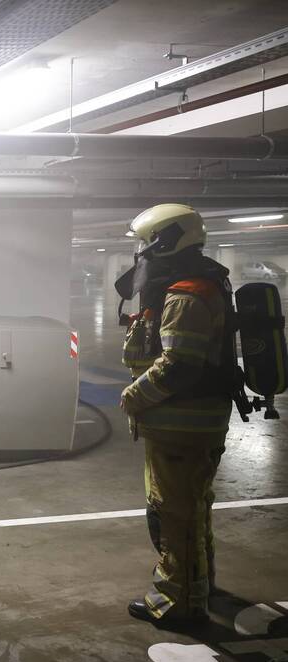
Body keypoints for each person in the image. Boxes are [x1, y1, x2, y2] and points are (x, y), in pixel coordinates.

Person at [116, 203, 234, 624]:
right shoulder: (194, 283)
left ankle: (177, 602)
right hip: (187, 424)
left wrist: (134, 395)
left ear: (163, 241)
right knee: (192, 509)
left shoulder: (186, 293)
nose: (141, 251)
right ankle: (199, 583)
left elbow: (179, 365)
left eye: (144, 243)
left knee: (174, 513)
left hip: (181, 424)